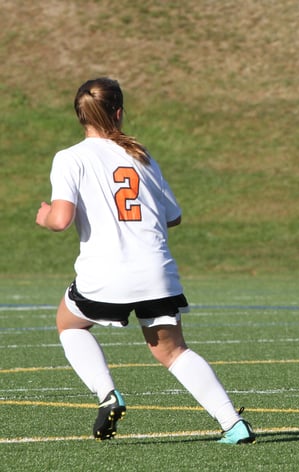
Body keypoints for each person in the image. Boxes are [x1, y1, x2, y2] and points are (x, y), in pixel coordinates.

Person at [35, 77, 256, 444]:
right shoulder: (141, 155)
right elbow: (174, 215)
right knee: (173, 351)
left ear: (79, 116)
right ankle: (233, 423)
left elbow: (60, 219)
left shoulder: (70, 158)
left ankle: (108, 395)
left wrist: (43, 215)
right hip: (156, 270)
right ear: (118, 114)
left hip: (106, 274)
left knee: (69, 324)